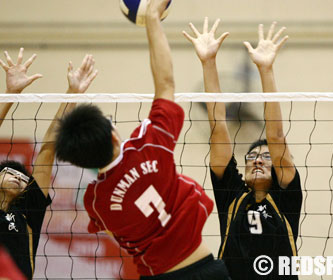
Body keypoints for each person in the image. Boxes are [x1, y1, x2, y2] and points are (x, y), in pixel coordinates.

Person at [54, 1, 230, 279]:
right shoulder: (149, 145)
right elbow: (166, 83)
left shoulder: (96, 202)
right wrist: (152, 20)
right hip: (206, 269)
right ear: (114, 135)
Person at [183, 18, 303, 279]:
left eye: (266, 157)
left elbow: (277, 136)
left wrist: (266, 70)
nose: (258, 161)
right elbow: (219, 127)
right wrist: (208, 63)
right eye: (252, 157)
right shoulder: (233, 197)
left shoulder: (286, 200)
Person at [0, 48, 98, 279]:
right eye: (9, 172)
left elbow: (47, 150)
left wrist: (72, 94)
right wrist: (10, 94)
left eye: (23, 178)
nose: (18, 177)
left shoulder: (27, 212)